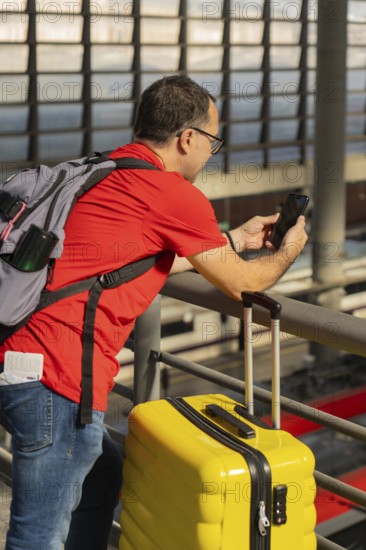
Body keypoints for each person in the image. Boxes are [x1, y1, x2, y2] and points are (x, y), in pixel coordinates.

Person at [0, 75, 307, 550]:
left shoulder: (104, 169)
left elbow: (131, 254)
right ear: (188, 138)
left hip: (17, 355)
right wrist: (288, 250)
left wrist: (237, 241)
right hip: (54, 380)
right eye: (213, 142)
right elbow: (243, 283)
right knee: (37, 534)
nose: (211, 154)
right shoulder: (172, 193)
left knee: (101, 476)